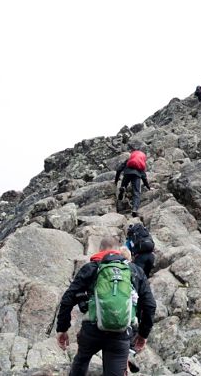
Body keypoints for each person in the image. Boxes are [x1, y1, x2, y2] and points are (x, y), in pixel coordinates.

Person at [56, 235, 156, 376]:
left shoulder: (91, 268)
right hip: (121, 332)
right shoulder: (134, 270)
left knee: (82, 359)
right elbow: (150, 305)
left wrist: (62, 329)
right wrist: (143, 334)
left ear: (100, 249)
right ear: (119, 250)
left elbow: (67, 299)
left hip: (92, 330)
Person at [115, 150, 151, 216]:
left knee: (124, 185)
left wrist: (116, 181)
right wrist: (148, 187)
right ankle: (134, 209)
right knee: (136, 193)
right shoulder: (140, 163)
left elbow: (119, 170)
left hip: (127, 173)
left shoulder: (129, 160)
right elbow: (144, 177)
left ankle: (122, 190)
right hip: (136, 176)